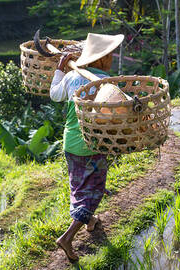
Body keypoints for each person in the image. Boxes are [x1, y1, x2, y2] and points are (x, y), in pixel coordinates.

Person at [49, 33, 124, 262]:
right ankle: (67, 238)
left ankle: (89, 221)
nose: (112, 58)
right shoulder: (107, 84)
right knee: (94, 191)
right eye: (109, 55)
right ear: (100, 59)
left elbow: (54, 95)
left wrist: (60, 71)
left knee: (78, 185)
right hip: (92, 145)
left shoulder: (72, 77)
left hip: (70, 142)